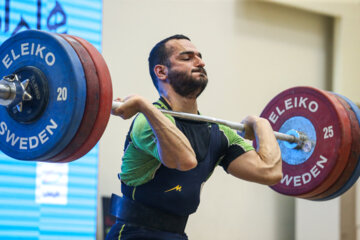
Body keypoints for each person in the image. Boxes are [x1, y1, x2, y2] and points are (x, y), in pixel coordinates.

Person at [107, 35, 282, 240]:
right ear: (161, 71)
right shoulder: (147, 122)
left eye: (199, 56)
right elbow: (184, 160)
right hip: (133, 234)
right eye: (187, 57)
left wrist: (262, 123)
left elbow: (270, 172)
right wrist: (144, 106)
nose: (201, 62)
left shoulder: (218, 133)